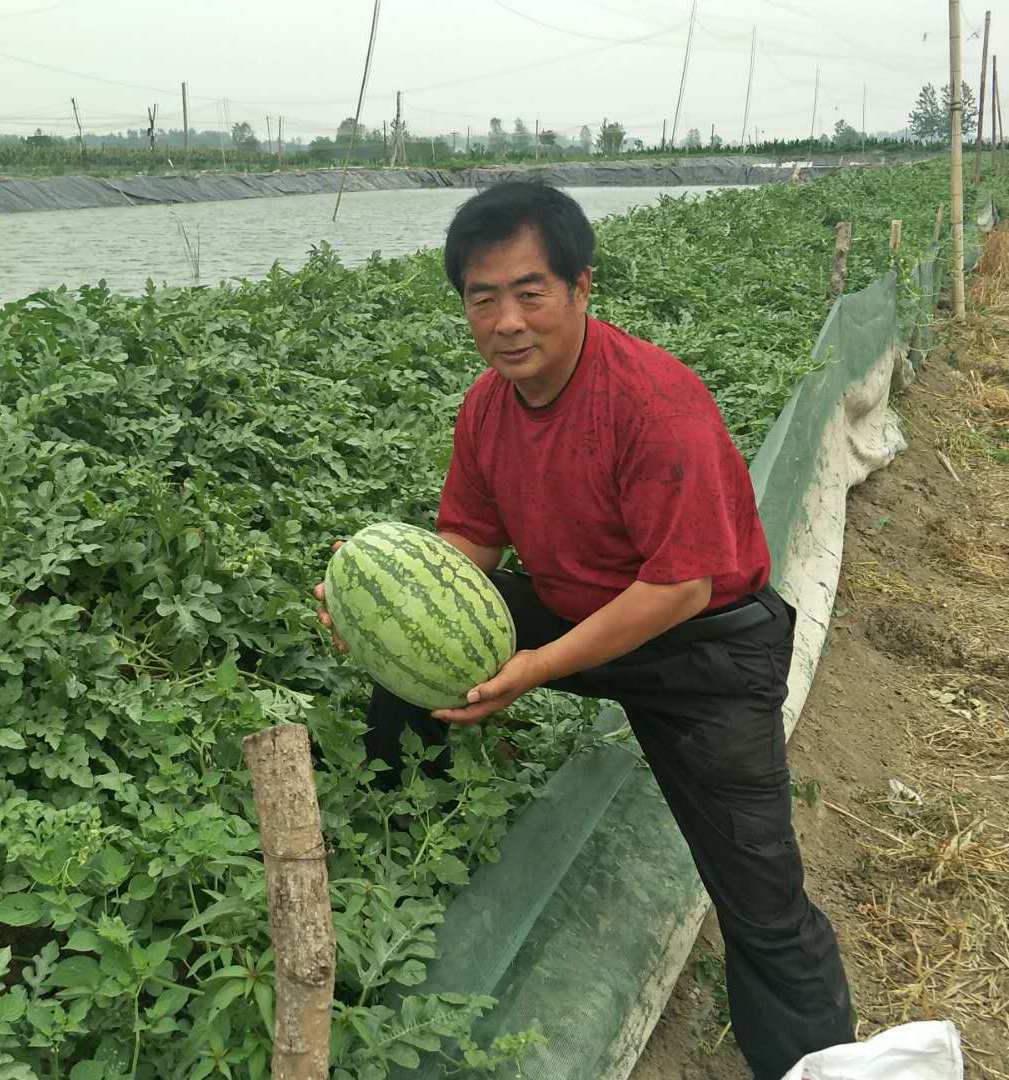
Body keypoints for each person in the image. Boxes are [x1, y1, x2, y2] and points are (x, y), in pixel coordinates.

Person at [312, 181, 853, 1079]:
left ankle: (814, 1064)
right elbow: (473, 544)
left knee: (759, 893)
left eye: (530, 292)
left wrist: (535, 668)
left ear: (581, 288)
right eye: (483, 298)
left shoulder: (652, 402)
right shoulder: (486, 409)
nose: (507, 320)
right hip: (574, 607)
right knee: (400, 678)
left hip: (703, 646)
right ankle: (406, 849)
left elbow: (679, 587)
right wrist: (381, 611)